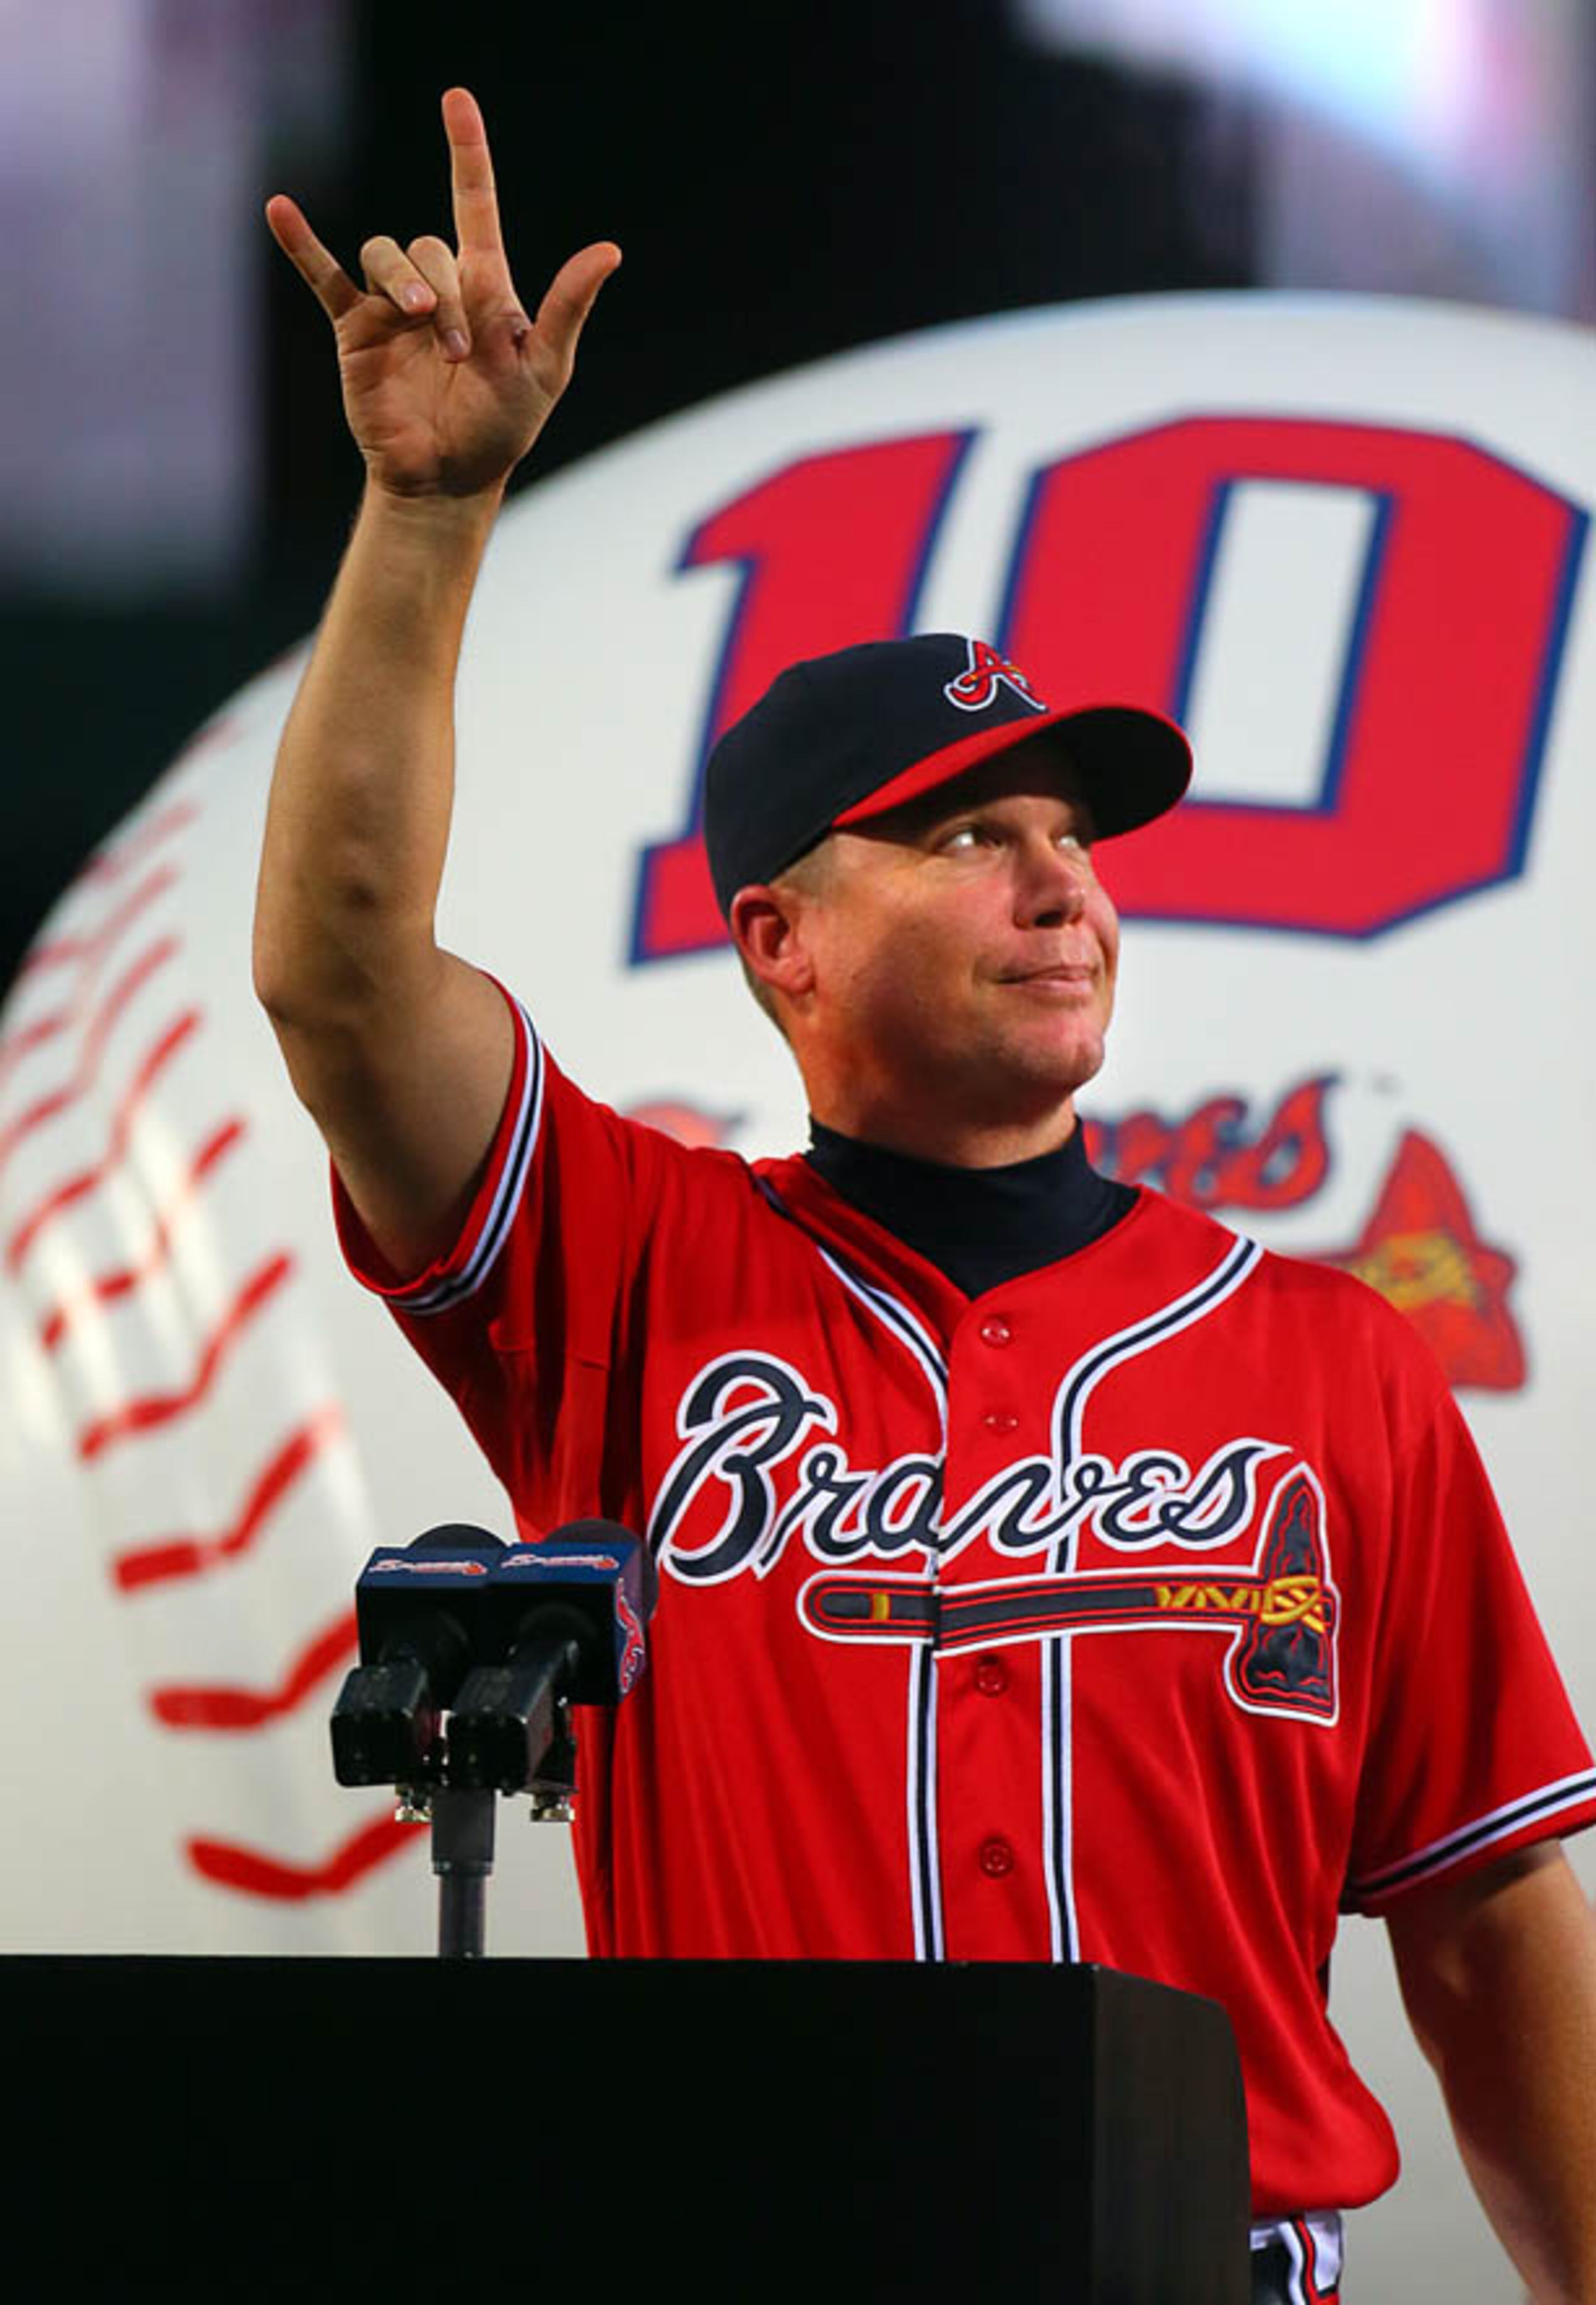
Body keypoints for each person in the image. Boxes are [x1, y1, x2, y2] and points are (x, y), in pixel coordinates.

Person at [256, 88, 1596, 2304]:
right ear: (780, 938)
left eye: (1073, 835)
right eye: (970, 834)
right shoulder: (630, 1269)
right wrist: (423, 518)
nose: (1062, 881)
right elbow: (337, 974)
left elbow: (1487, 1911)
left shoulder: (1334, 1367)